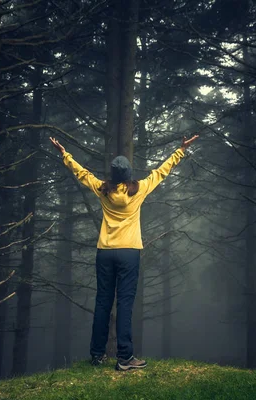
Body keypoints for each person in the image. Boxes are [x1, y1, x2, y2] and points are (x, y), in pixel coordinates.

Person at [49, 134, 199, 371]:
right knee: (125, 303)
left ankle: (97, 355)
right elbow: (161, 171)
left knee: (102, 303)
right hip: (129, 252)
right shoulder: (138, 190)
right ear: (128, 175)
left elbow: (81, 173)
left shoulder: (103, 189)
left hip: (105, 252)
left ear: (113, 174)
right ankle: (125, 358)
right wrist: (180, 150)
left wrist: (64, 154)